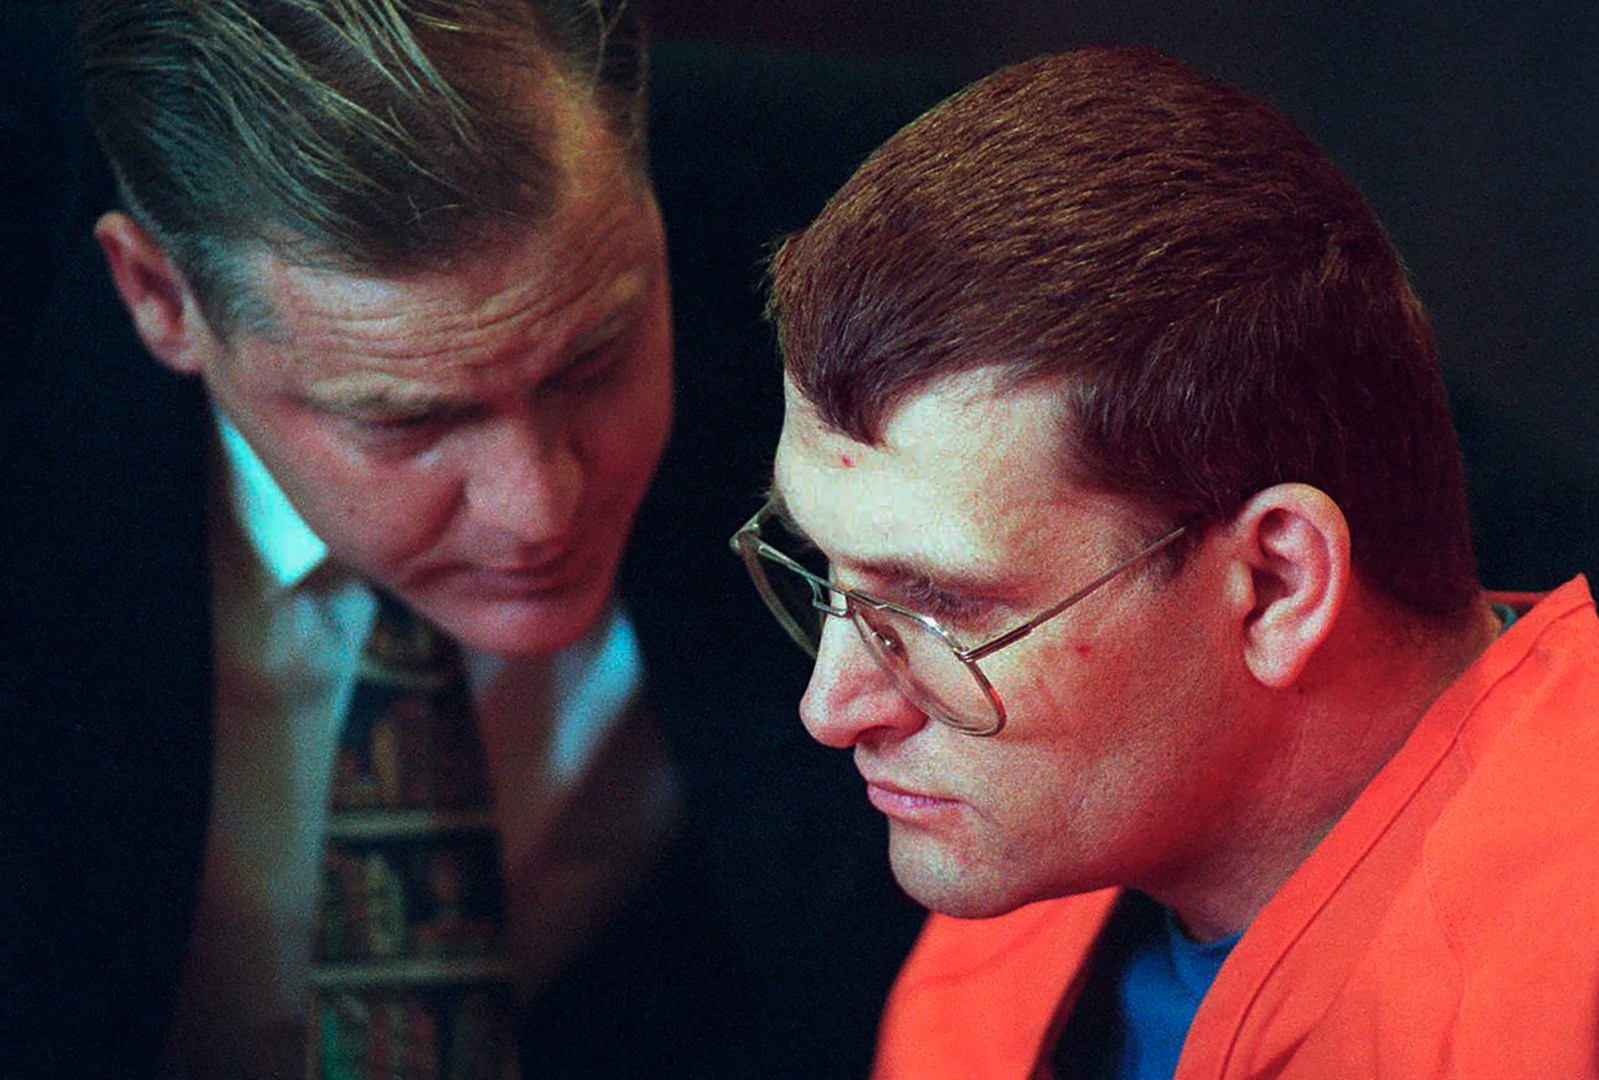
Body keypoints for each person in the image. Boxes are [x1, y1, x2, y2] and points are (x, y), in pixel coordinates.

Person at [0, 2, 946, 1077]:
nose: (537, 510)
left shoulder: (856, 231)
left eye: (592, 361)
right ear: (161, 299)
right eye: (406, 420)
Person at [734, 45, 1599, 1078]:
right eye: (827, 575)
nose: (832, 708)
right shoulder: (1017, 901)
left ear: (1278, 584)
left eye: (943, 604)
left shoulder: (1560, 997)